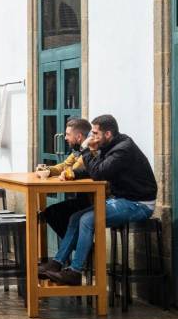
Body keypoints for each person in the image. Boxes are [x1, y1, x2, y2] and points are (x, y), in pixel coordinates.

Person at [43, 115, 157, 286]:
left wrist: (86, 149)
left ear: (108, 134)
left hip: (139, 204)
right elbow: (96, 169)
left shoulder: (123, 149)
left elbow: (99, 174)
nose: (91, 136)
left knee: (87, 220)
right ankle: (56, 264)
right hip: (122, 200)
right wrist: (74, 174)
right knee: (75, 217)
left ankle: (75, 272)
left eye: (95, 133)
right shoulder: (109, 146)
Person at [39, 118, 93, 246]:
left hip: (92, 201)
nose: (65, 138)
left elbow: (72, 171)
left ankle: (86, 250)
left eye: (68, 134)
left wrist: (65, 172)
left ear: (79, 136)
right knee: (51, 212)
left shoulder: (88, 152)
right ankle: (83, 249)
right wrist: (47, 169)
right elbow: (64, 165)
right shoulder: (77, 150)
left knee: (54, 213)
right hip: (82, 199)